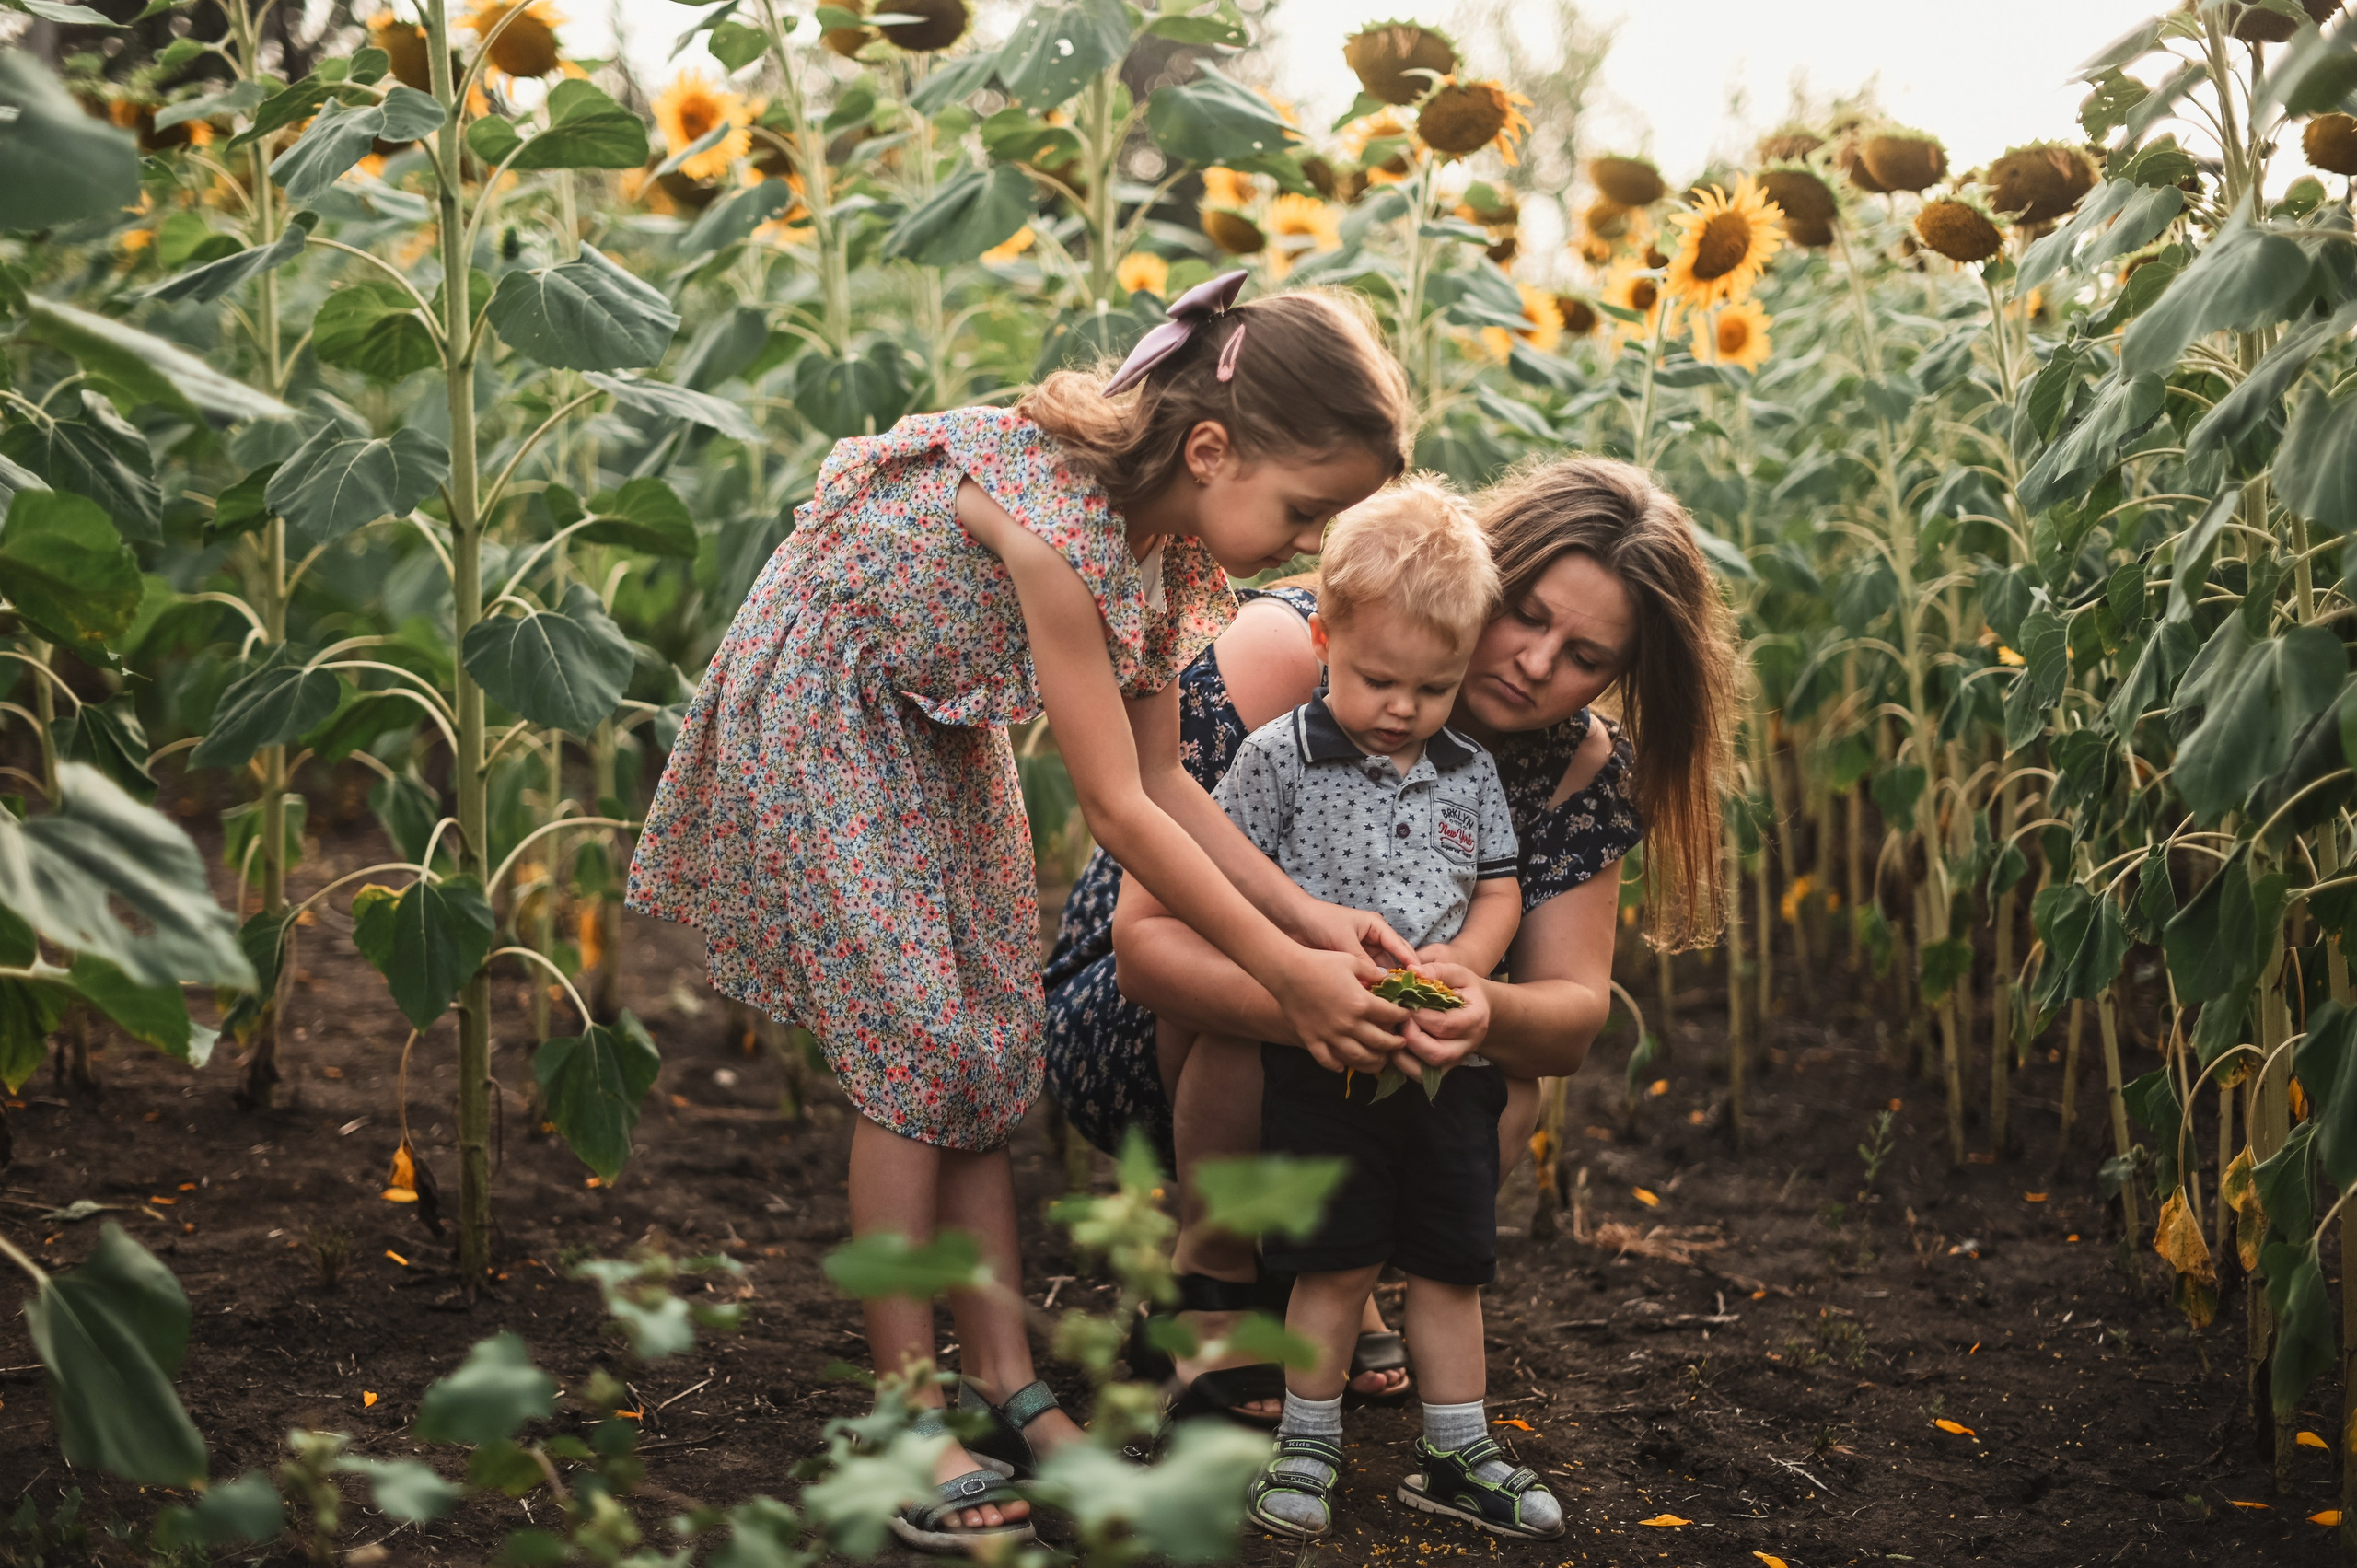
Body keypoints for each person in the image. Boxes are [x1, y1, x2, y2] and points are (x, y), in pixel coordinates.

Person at [624, 273, 1417, 1551]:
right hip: (836, 706)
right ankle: (902, 1407)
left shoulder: (1168, 552)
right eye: (1304, 510)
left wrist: (1314, 923)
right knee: (914, 1053)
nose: (1307, 546)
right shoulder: (1056, 532)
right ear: (1210, 450)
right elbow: (1118, 810)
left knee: (995, 1038)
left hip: (937, 721)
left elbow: (1170, 780)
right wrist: (1286, 976)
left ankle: (1007, 1382)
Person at [1041, 454, 1741, 1432]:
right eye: (1526, 615)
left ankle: (1338, 1269)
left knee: (1507, 1080)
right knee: (1256, 1033)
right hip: (1147, 1023)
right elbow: (1146, 950)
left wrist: (1482, 1005)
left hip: (1367, 1041)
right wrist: (1302, 993)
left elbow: (1570, 1020)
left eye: (1585, 656)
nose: (1538, 664)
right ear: (1484, 578)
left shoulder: (1580, 766)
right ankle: (1214, 1278)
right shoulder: (1298, 655)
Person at [1165, 482, 1555, 1540]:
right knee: (1330, 1261)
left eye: (1432, 687)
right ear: (1324, 640)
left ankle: (1457, 1445)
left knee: (1449, 1262)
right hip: (1324, 1056)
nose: (1400, 708)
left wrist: (1467, 967)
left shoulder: (1468, 770)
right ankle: (1308, 1440)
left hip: (1439, 1056)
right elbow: (1227, 871)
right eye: (1378, 678)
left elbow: (1497, 887)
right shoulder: (1276, 756)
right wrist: (1298, 965)